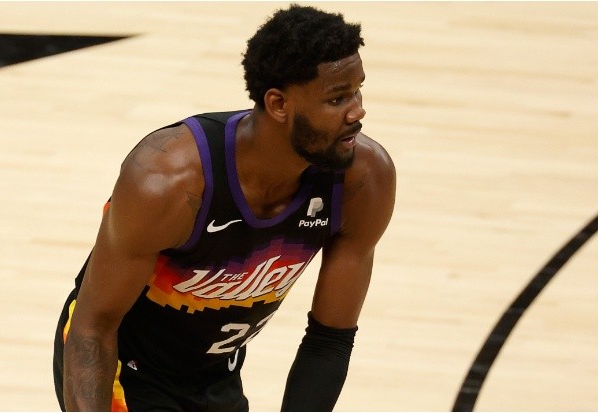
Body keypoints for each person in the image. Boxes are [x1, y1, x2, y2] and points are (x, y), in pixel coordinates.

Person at [53, 4, 395, 411]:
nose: (358, 111)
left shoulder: (363, 180)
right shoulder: (169, 182)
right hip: (122, 370)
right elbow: (94, 327)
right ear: (279, 104)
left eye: (357, 90)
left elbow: (330, 339)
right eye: (337, 98)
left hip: (214, 372)